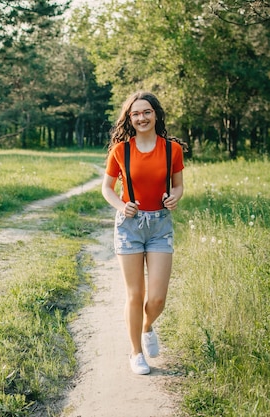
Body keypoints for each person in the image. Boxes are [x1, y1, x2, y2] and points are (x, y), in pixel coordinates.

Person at [101, 91, 184, 375]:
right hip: (130, 226)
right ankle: (136, 352)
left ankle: (147, 327)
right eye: (135, 114)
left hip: (160, 225)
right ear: (130, 119)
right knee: (135, 294)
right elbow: (107, 189)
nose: (141, 117)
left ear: (156, 114)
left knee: (157, 298)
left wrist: (175, 197)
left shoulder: (172, 149)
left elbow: (178, 186)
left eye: (146, 112)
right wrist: (122, 206)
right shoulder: (120, 150)